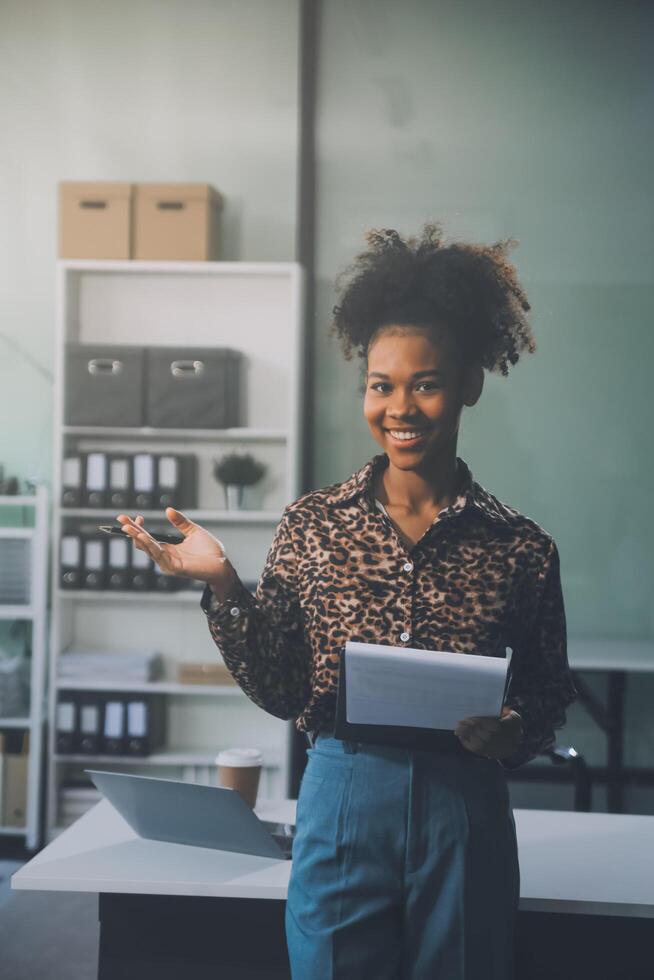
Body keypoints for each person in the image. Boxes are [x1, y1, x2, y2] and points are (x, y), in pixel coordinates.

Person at [117, 222, 579, 979]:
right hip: (340, 789)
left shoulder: (520, 548)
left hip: (463, 803)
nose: (401, 407)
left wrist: (515, 729)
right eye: (381, 384)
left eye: (425, 383)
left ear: (468, 384)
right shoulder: (313, 525)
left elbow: (547, 688)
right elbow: (283, 689)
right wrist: (226, 586)